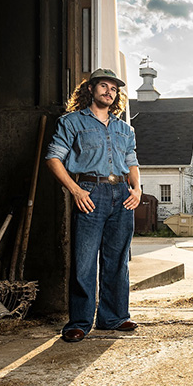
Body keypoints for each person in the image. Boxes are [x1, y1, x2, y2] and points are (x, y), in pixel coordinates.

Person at [45, 68, 142, 342]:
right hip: (90, 192)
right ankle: (79, 322)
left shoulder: (125, 129)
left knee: (118, 259)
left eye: (113, 88)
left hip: (122, 194)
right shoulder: (72, 122)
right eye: (103, 86)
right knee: (84, 260)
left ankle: (113, 318)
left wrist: (136, 188)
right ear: (91, 89)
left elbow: (132, 162)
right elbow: (53, 158)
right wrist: (75, 190)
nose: (108, 91)